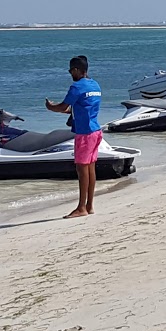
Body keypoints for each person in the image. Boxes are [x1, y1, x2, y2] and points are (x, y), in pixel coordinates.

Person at [45, 55, 102, 218]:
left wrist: (51, 107)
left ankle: (81, 208)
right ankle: (89, 205)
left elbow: (64, 106)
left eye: (71, 70)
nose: (70, 73)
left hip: (84, 133)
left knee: (82, 170)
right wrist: (62, 108)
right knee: (90, 168)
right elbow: (81, 108)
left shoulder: (76, 87)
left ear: (77, 70)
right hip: (96, 131)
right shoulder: (95, 85)